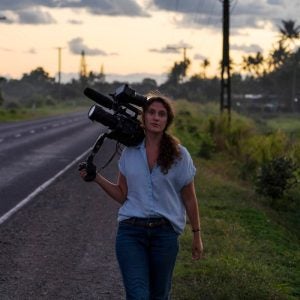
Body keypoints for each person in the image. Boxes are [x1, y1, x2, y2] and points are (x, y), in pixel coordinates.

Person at [79, 93, 204, 300]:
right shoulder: (129, 153)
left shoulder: (180, 155)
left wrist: (197, 235)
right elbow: (122, 194)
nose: (156, 118)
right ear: (144, 118)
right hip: (131, 233)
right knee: (137, 295)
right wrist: (96, 178)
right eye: (151, 113)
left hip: (165, 235)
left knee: (159, 295)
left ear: (167, 121)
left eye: (162, 114)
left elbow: (190, 198)